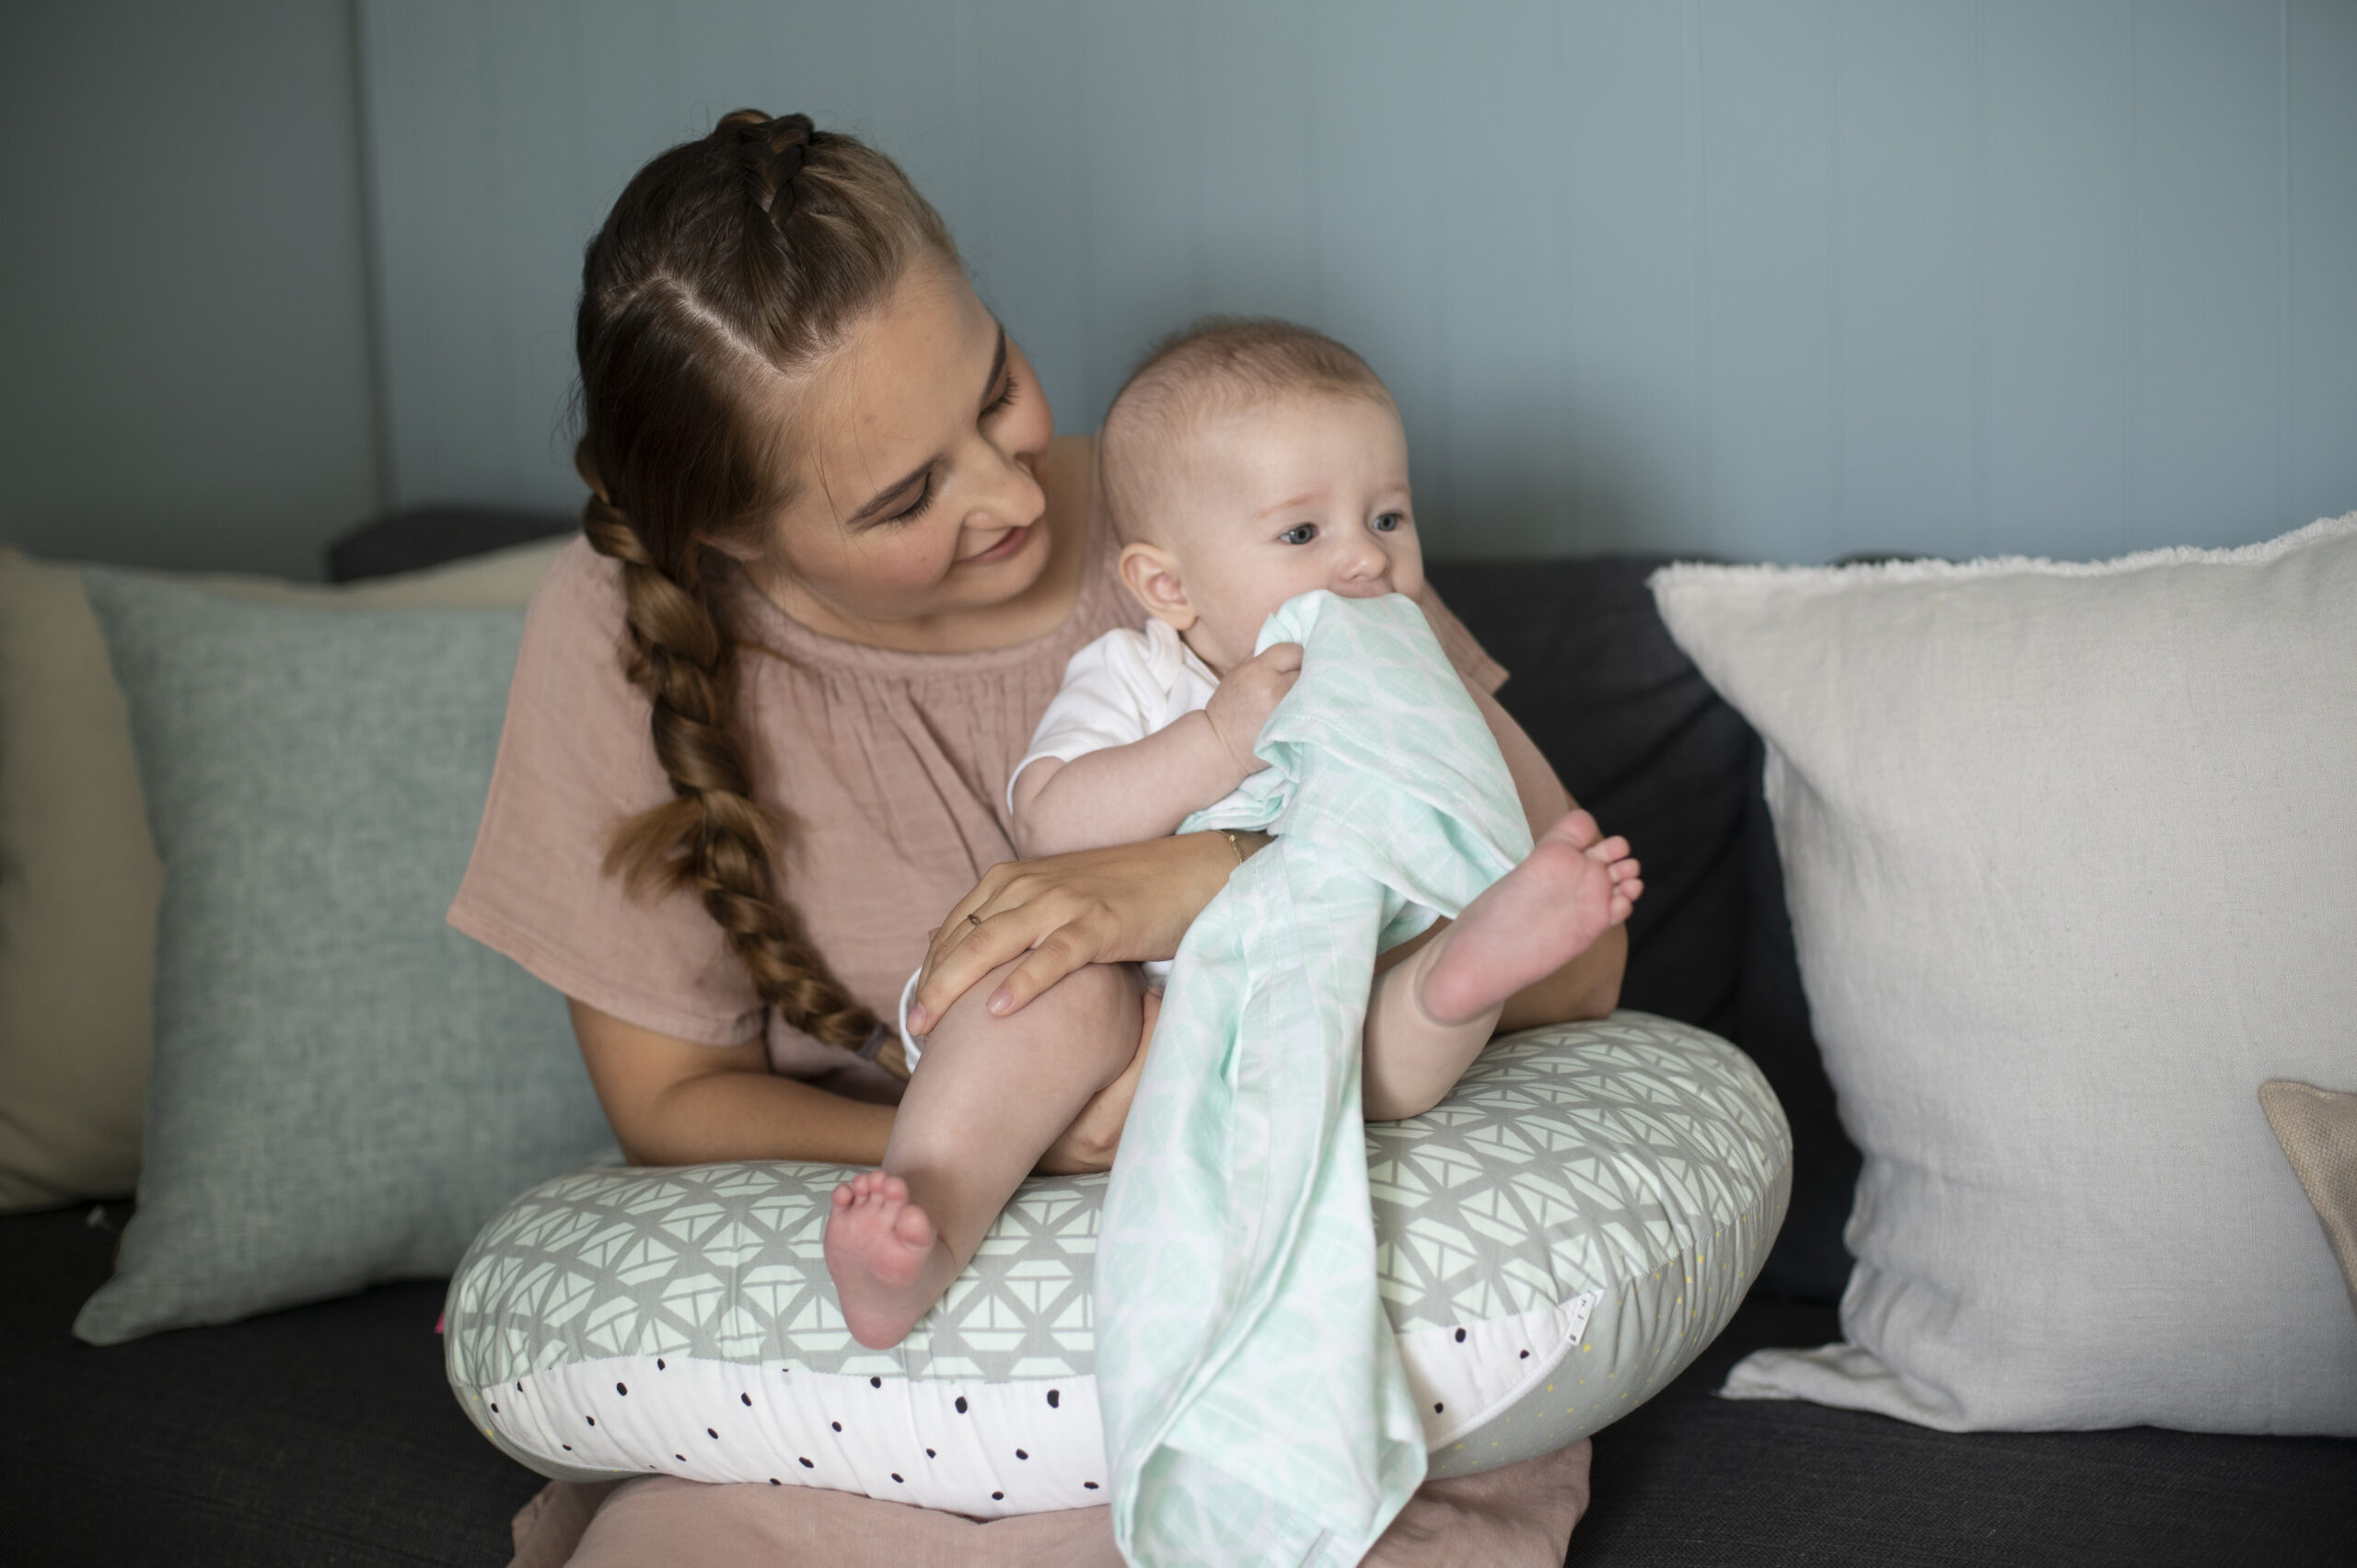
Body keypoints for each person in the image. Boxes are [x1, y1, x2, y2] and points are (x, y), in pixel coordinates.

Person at [448, 108, 1621, 1554]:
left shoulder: (1243, 515)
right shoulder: (615, 631)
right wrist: (1017, 1159)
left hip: (1257, 1323)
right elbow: (672, 1104)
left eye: (996, 387)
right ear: (732, 541)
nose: (1009, 494)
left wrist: (1193, 879)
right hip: (875, 1395)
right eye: (902, 496)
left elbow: (1574, 954)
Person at [823, 319, 1643, 1348]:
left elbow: (1492, 825)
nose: (1364, 561)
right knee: (1041, 996)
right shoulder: (1142, 676)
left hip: (1311, 992)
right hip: (1136, 1002)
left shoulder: (1408, 680)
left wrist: (1460, 754)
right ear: (1169, 587)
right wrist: (1215, 741)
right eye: (1302, 535)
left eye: (1388, 517)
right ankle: (926, 1221)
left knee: (1401, 1006)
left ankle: (1462, 979)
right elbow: (1051, 820)